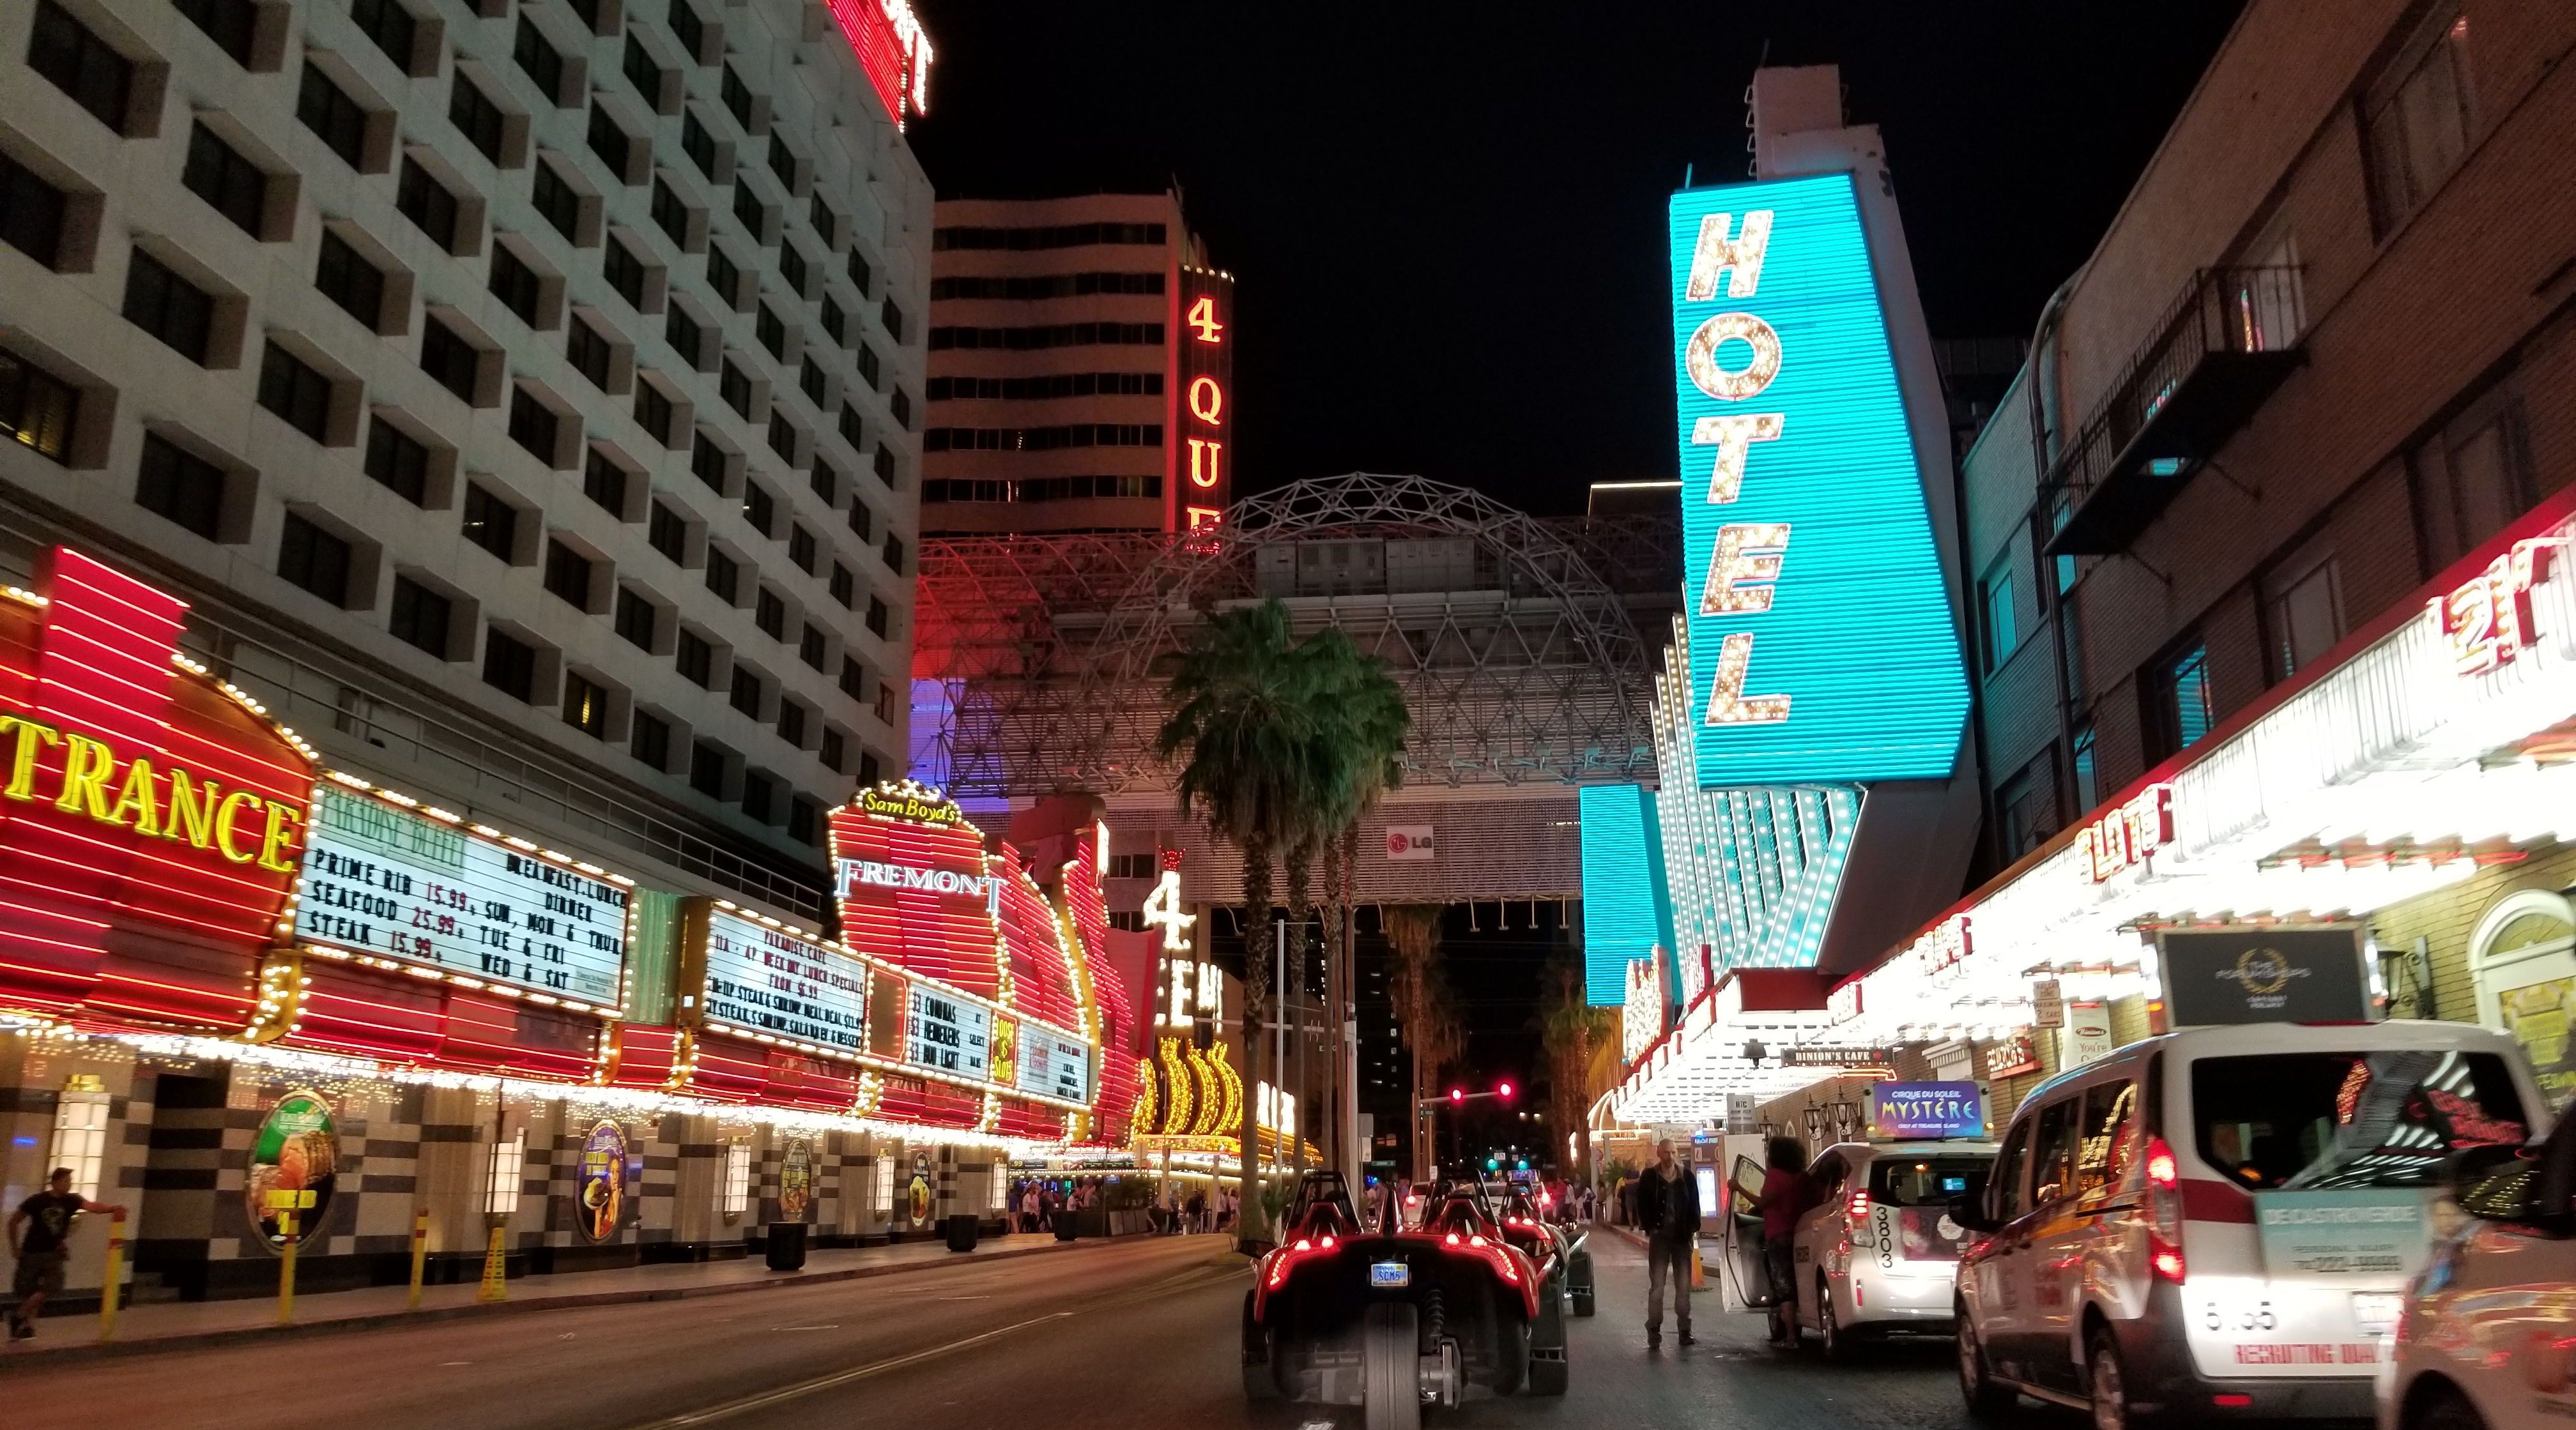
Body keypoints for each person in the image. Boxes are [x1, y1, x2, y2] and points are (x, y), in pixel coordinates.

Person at [8, 1168, 125, 1340]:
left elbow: (91, 1206)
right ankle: (26, 1327)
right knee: (29, 1290)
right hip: (32, 1251)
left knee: (52, 1286)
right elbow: (14, 1221)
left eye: (70, 1181)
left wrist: (112, 1209)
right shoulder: (37, 1201)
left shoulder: (72, 1200)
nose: (69, 1184)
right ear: (54, 1183)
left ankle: (18, 1316)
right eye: (65, 1181)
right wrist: (15, 1248)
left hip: (53, 1252)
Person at [1633, 1137, 1702, 1349]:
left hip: (1682, 1238)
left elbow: (1694, 1203)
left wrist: (1693, 1227)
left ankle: (1685, 1330)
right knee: (1658, 1287)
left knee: (1683, 1286)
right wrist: (1649, 1226)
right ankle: (1654, 1328)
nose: (1670, 1157)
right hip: (1660, 1237)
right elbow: (1642, 1203)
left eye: (1673, 1152)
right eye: (1666, 1153)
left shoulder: (1686, 1176)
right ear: (1659, 1153)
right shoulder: (1649, 1177)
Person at [1756, 1137, 1818, 1344]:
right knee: (1800, 1279)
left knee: (1784, 1285)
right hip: (1802, 1234)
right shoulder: (1803, 1178)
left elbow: (1763, 1203)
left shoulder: (1775, 1176)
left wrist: (1738, 1188)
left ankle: (1792, 1335)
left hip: (1778, 1235)